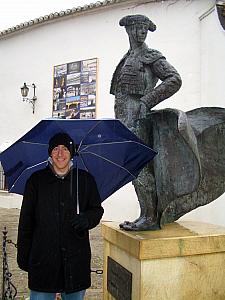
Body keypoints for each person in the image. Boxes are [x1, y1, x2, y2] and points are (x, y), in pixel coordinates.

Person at [110, 15, 182, 230]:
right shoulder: (127, 57)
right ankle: (146, 214)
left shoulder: (151, 56)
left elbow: (174, 79)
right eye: (138, 28)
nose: (142, 32)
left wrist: (147, 101)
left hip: (137, 116)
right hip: (124, 117)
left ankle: (150, 217)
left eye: (145, 29)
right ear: (129, 31)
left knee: (140, 165)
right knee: (134, 167)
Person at [17, 132, 104, 300]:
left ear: (71, 152)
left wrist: (87, 219)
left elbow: (96, 210)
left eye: (65, 148)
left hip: (75, 260)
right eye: (56, 148)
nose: (60, 153)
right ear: (50, 153)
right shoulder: (36, 181)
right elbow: (26, 221)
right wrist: (23, 255)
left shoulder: (85, 180)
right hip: (43, 261)